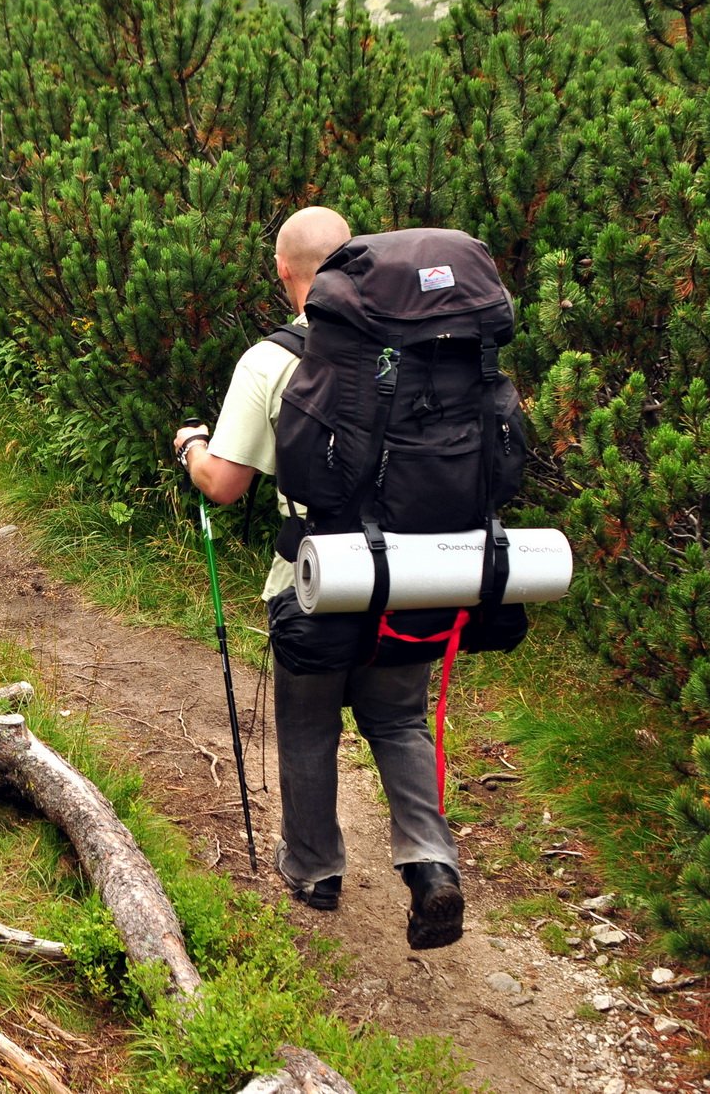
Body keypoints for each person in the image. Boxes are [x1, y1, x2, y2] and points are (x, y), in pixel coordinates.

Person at [170, 206, 464, 950]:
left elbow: (225, 484)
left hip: (316, 579)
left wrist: (191, 447)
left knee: (308, 728)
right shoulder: (422, 344)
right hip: (415, 577)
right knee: (396, 721)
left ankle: (313, 870)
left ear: (284, 274)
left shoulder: (271, 359)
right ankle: (430, 867)